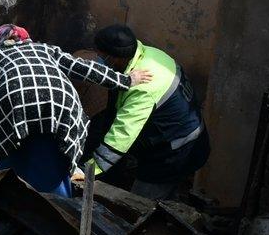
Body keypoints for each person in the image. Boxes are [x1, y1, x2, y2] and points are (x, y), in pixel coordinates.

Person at [0, 24, 151, 196]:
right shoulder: (44, 49)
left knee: (15, 153)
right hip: (61, 103)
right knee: (60, 154)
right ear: (26, 39)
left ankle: (6, 189)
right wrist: (125, 81)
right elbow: (82, 68)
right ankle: (63, 196)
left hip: (16, 103)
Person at [84, 24, 210, 200]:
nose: (98, 59)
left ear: (116, 59)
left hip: (175, 153)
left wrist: (88, 171)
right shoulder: (145, 55)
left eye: (102, 56)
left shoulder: (143, 87)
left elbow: (122, 135)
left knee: (138, 208)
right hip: (181, 137)